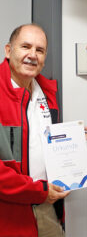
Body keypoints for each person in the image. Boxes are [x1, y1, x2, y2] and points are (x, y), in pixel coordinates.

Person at [0, 24, 69, 237]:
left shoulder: (47, 93)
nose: (32, 55)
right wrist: (37, 191)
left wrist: (68, 140)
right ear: (9, 50)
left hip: (47, 208)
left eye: (39, 50)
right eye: (26, 47)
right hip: (8, 215)